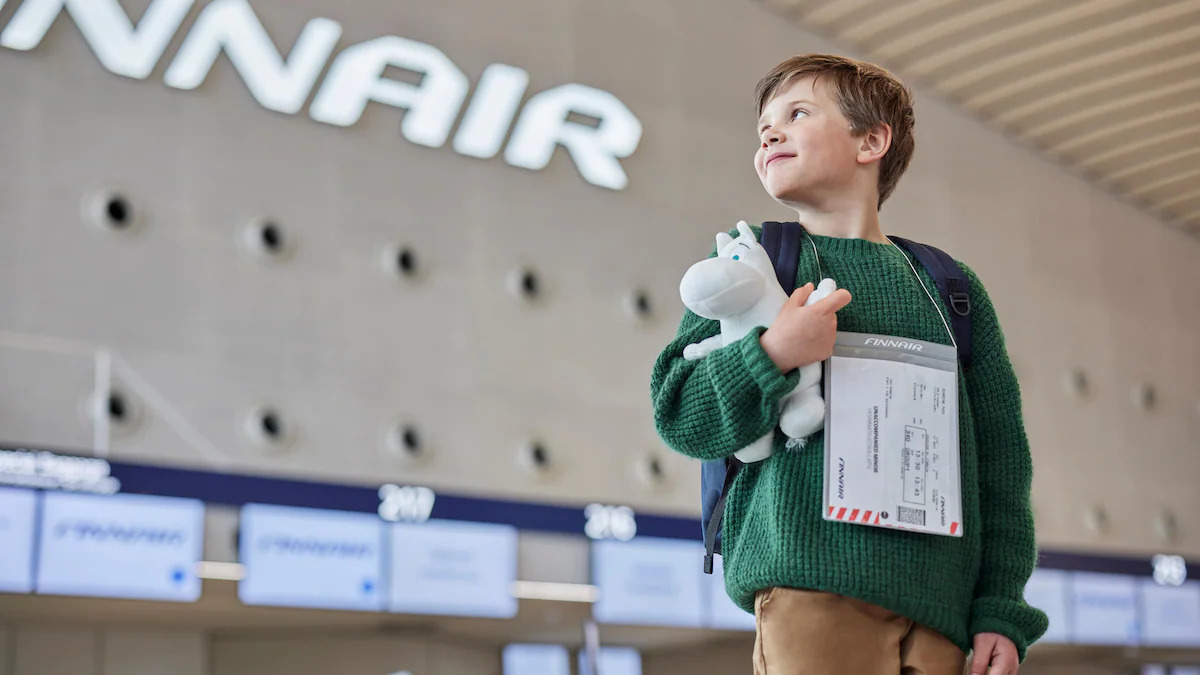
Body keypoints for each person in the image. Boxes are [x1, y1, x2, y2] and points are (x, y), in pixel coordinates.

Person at [649, 54, 1047, 675]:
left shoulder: (951, 288)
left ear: (872, 140)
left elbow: (1002, 463)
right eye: (763, 129)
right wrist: (773, 353)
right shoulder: (750, 261)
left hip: (942, 611)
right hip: (810, 586)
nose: (770, 134)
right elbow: (680, 413)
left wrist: (1001, 608)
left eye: (797, 114)